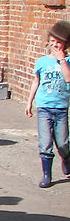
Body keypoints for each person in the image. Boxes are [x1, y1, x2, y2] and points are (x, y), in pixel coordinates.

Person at [24, 20, 70, 189]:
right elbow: (36, 82)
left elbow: (68, 79)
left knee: (63, 143)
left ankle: (66, 157)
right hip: (44, 107)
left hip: (61, 108)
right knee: (45, 143)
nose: (55, 45)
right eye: (52, 42)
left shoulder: (68, 62)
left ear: (65, 44)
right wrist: (30, 102)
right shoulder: (41, 62)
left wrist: (62, 60)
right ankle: (46, 175)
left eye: (59, 42)